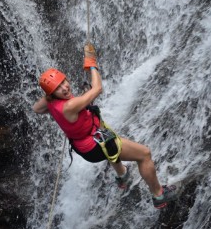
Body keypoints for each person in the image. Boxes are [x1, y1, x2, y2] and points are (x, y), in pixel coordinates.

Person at [33, 43, 178, 209]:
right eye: (57, 88)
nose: (64, 88)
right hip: (94, 146)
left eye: (63, 82)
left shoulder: (49, 102)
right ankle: (158, 195)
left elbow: (36, 109)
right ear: (51, 93)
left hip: (84, 144)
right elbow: (98, 88)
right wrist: (92, 64)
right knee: (144, 154)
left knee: (109, 137)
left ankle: (122, 175)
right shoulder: (70, 105)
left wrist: (54, 100)